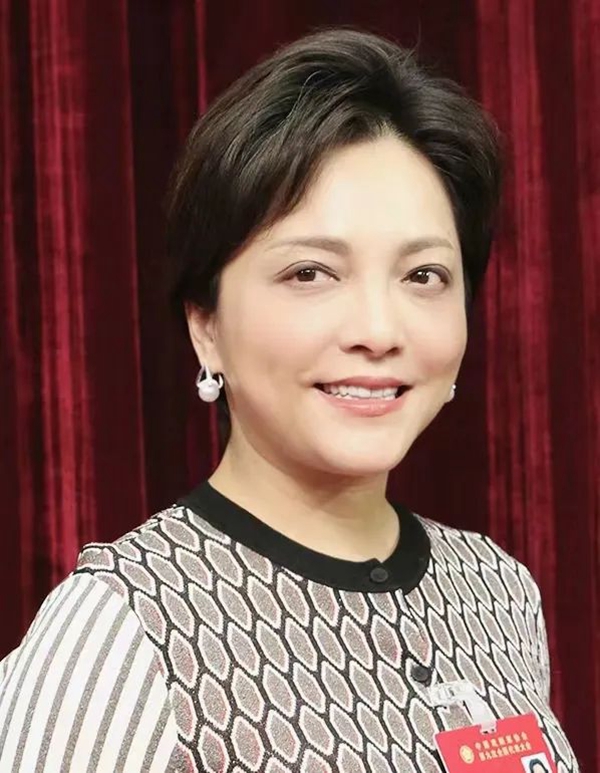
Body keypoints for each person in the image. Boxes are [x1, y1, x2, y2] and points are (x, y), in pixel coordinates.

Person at [0, 27, 579, 773]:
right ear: (206, 325)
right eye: (310, 273)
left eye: (423, 276)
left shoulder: (496, 591)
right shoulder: (125, 627)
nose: (379, 330)